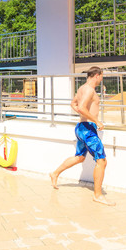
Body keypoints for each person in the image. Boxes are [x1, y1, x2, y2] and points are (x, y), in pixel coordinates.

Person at [49, 67, 115, 206]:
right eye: (101, 76)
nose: (102, 79)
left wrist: (84, 116)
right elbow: (81, 107)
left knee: (80, 157)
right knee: (101, 161)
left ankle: (55, 173)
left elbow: (74, 104)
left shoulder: (82, 88)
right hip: (87, 129)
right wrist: (96, 120)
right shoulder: (89, 90)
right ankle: (98, 195)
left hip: (81, 128)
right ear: (97, 75)